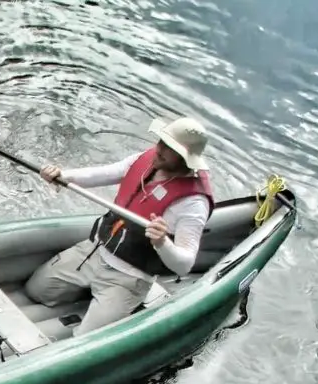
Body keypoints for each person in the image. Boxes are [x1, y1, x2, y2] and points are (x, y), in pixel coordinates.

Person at [24, 116, 215, 336]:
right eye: (161, 141)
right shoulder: (148, 160)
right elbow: (104, 173)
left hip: (127, 278)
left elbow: (184, 265)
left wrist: (162, 242)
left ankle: (123, 305)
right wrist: (62, 176)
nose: (159, 148)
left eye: (168, 147)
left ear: (184, 157)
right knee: (35, 291)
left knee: (84, 339)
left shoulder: (193, 203)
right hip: (94, 252)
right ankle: (89, 296)